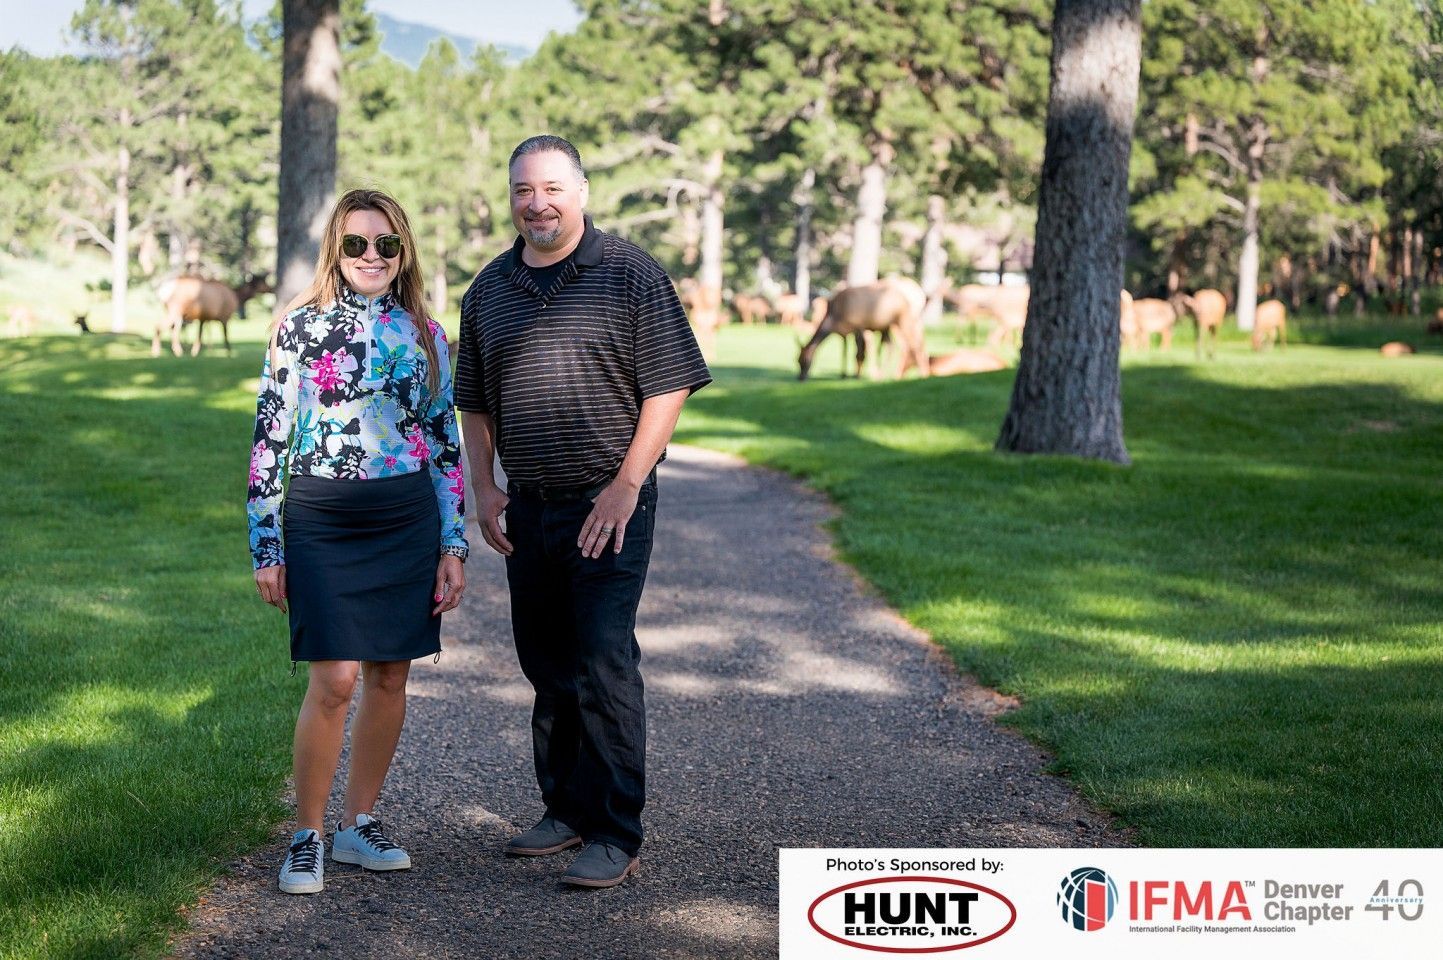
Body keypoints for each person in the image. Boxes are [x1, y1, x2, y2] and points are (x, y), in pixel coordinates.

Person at [455, 135, 710, 888]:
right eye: (523, 190)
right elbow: (474, 401)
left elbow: (668, 385)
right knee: (547, 664)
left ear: (581, 192)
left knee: (602, 660)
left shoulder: (628, 273)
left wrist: (627, 483)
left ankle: (613, 829)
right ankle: (564, 809)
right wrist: (485, 486)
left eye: (552, 188)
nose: (537, 203)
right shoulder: (490, 289)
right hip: (528, 507)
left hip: (608, 506)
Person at [248, 188, 468, 895]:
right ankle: (307, 835)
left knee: (391, 674)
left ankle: (358, 823)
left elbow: (443, 444)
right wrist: (267, 545)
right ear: (335, 253)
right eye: (355, 244)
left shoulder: (427, 335)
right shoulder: (297, 329)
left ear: (403, 252)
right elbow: (269, 439)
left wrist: (453, 544)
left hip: (405, 519)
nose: (371, 256)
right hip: (322, 517)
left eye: (384, 244)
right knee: (335, 678)